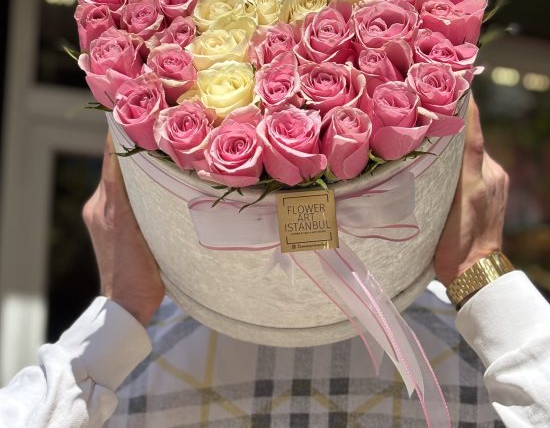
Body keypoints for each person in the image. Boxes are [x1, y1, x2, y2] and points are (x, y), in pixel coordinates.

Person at [0, 101, 549, 427]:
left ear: (113, 206)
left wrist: (121, 309)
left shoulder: (113, 386)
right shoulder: (487, 366)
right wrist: (481, 271)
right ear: (472, 175)